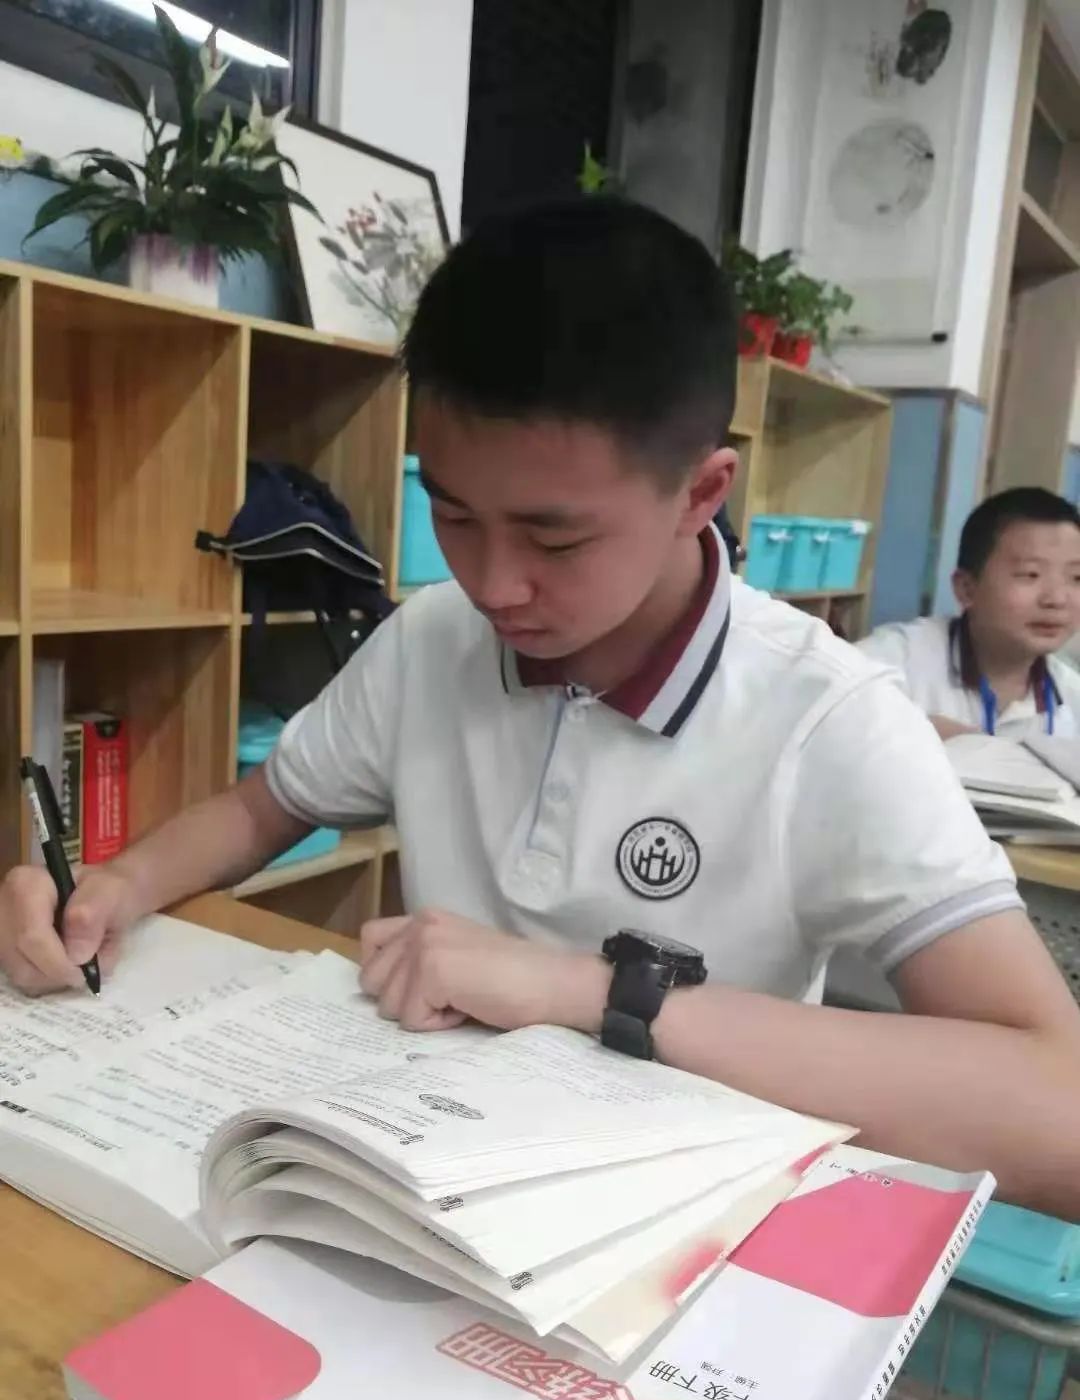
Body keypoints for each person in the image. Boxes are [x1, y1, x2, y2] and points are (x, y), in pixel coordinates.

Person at [2, 199, 1078, 1218]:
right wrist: (116, 887)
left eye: (555, 538)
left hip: (671, 1228)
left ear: (701, 493)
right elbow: (259, 811)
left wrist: (590, 992)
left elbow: (1056, 1105)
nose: (492, 583)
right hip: (410, 1176)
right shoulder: (433, 639)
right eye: (452, 514)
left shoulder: (827, 718)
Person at [859, 489, 1080, 741]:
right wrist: (911, 733)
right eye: (1030, 574)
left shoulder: (1071, 694)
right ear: (967, 589)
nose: (1056, 599)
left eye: (1076, 578)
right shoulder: (891, 662)